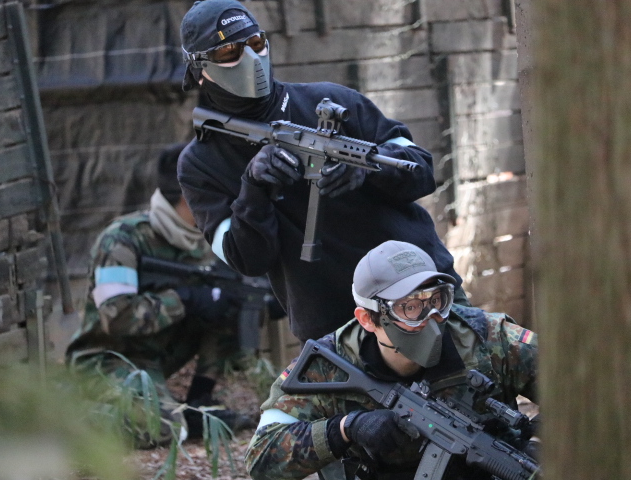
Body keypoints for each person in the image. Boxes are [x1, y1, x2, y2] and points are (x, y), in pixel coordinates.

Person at [177, 0, 471, 343]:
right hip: (336, 328)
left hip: (422, 292)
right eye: (230, 52)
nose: (251, 58)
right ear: (199, 68)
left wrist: (369, 169)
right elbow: (246, 260)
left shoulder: (333, 100)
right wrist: (253, 189)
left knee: (475, 373)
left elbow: (420, 170)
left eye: (256, 43)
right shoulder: (200, 164)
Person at [244, 241, 538, 480]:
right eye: (409, 307)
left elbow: (568, 386)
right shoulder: (328, 364)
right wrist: (345, 428)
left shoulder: (488, 338)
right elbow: (261, 458)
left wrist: (541, 444)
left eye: (436, 300)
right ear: (367, 318)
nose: (430, 318)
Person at [65, 143, 253, 448]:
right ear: (190, 194)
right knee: (164, 428)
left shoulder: (205, 242)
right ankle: (68, 420)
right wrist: (184, 299)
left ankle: (198, 402)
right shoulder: (122, 240)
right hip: (105, 360)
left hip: (152, 363)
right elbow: (116, 316)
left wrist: (254, 304)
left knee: (230, 303)